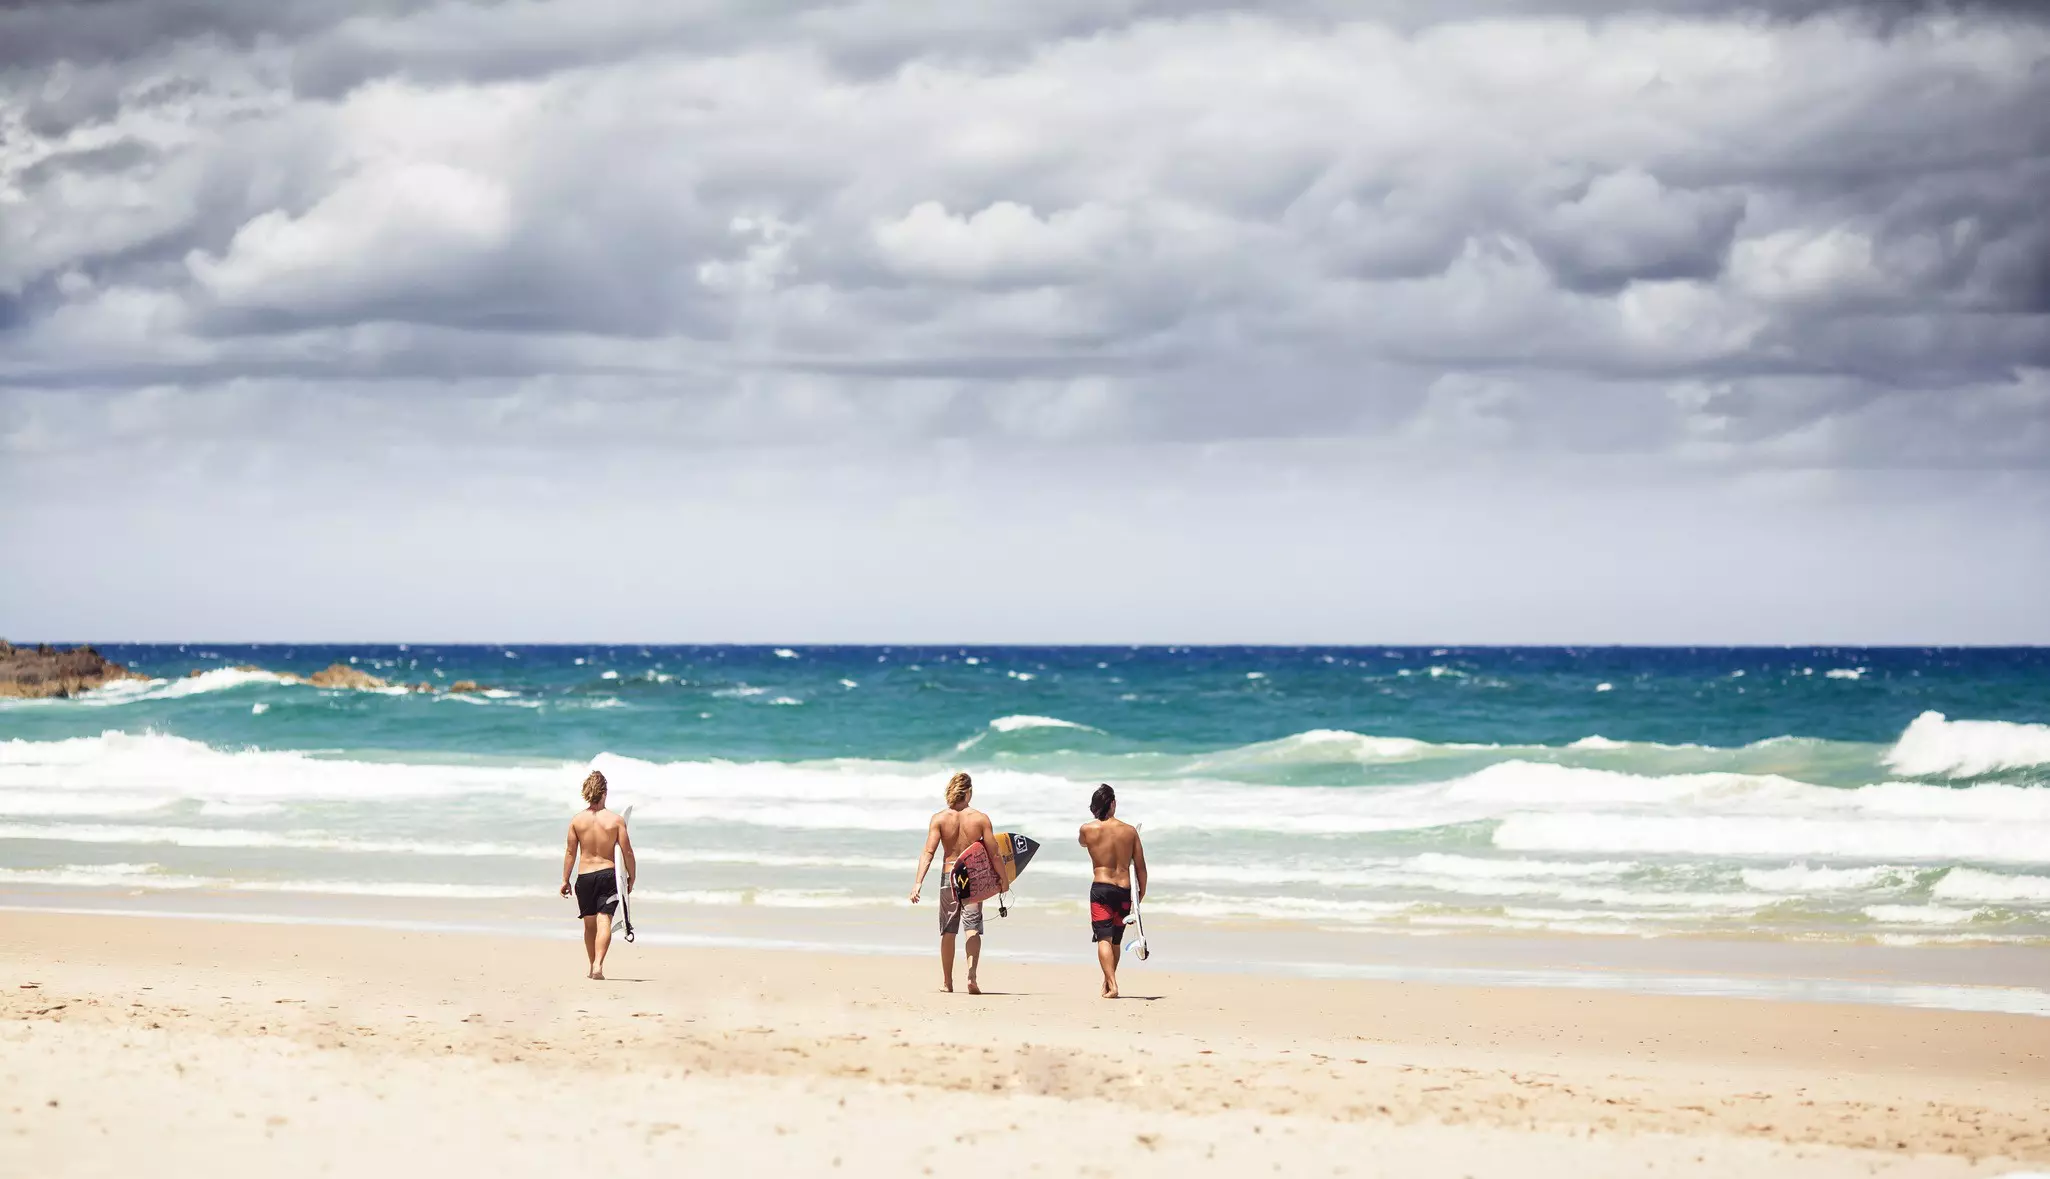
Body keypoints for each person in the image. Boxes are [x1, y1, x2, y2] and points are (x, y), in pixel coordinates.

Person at [909, 771, 993, 994]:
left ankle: (947, 982)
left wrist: (918, 882)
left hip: (949, 876)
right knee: (972, 927)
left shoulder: (939, 819)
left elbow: (928, 852)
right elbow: (994, 853)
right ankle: (972, 975)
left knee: (948, 930)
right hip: (973, 877)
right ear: (969, 792)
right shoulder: (980, 819)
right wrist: (1002, 881)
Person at [559, 769, 635, 980]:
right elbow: (627, 852)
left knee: (589, 925)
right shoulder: (615, 821)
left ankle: (592, 966)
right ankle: (598, 965)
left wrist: (565, 879)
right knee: (604, 923)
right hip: (608, 877)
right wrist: (631, 877)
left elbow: (570, 852)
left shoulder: (577, 821)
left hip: (584, 878)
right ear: (604, 792)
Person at [1077, 783, 1146, 998]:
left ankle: (1112, 984)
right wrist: (1140, 895)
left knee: (1103, 939)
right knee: (1115, 940)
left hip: (1101, 890)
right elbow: (1141, 868)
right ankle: (1108, 982)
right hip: (1124, 891)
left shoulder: (1087, 829)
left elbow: (1082, 843)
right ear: (1113, 803)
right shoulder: (1130, 831)